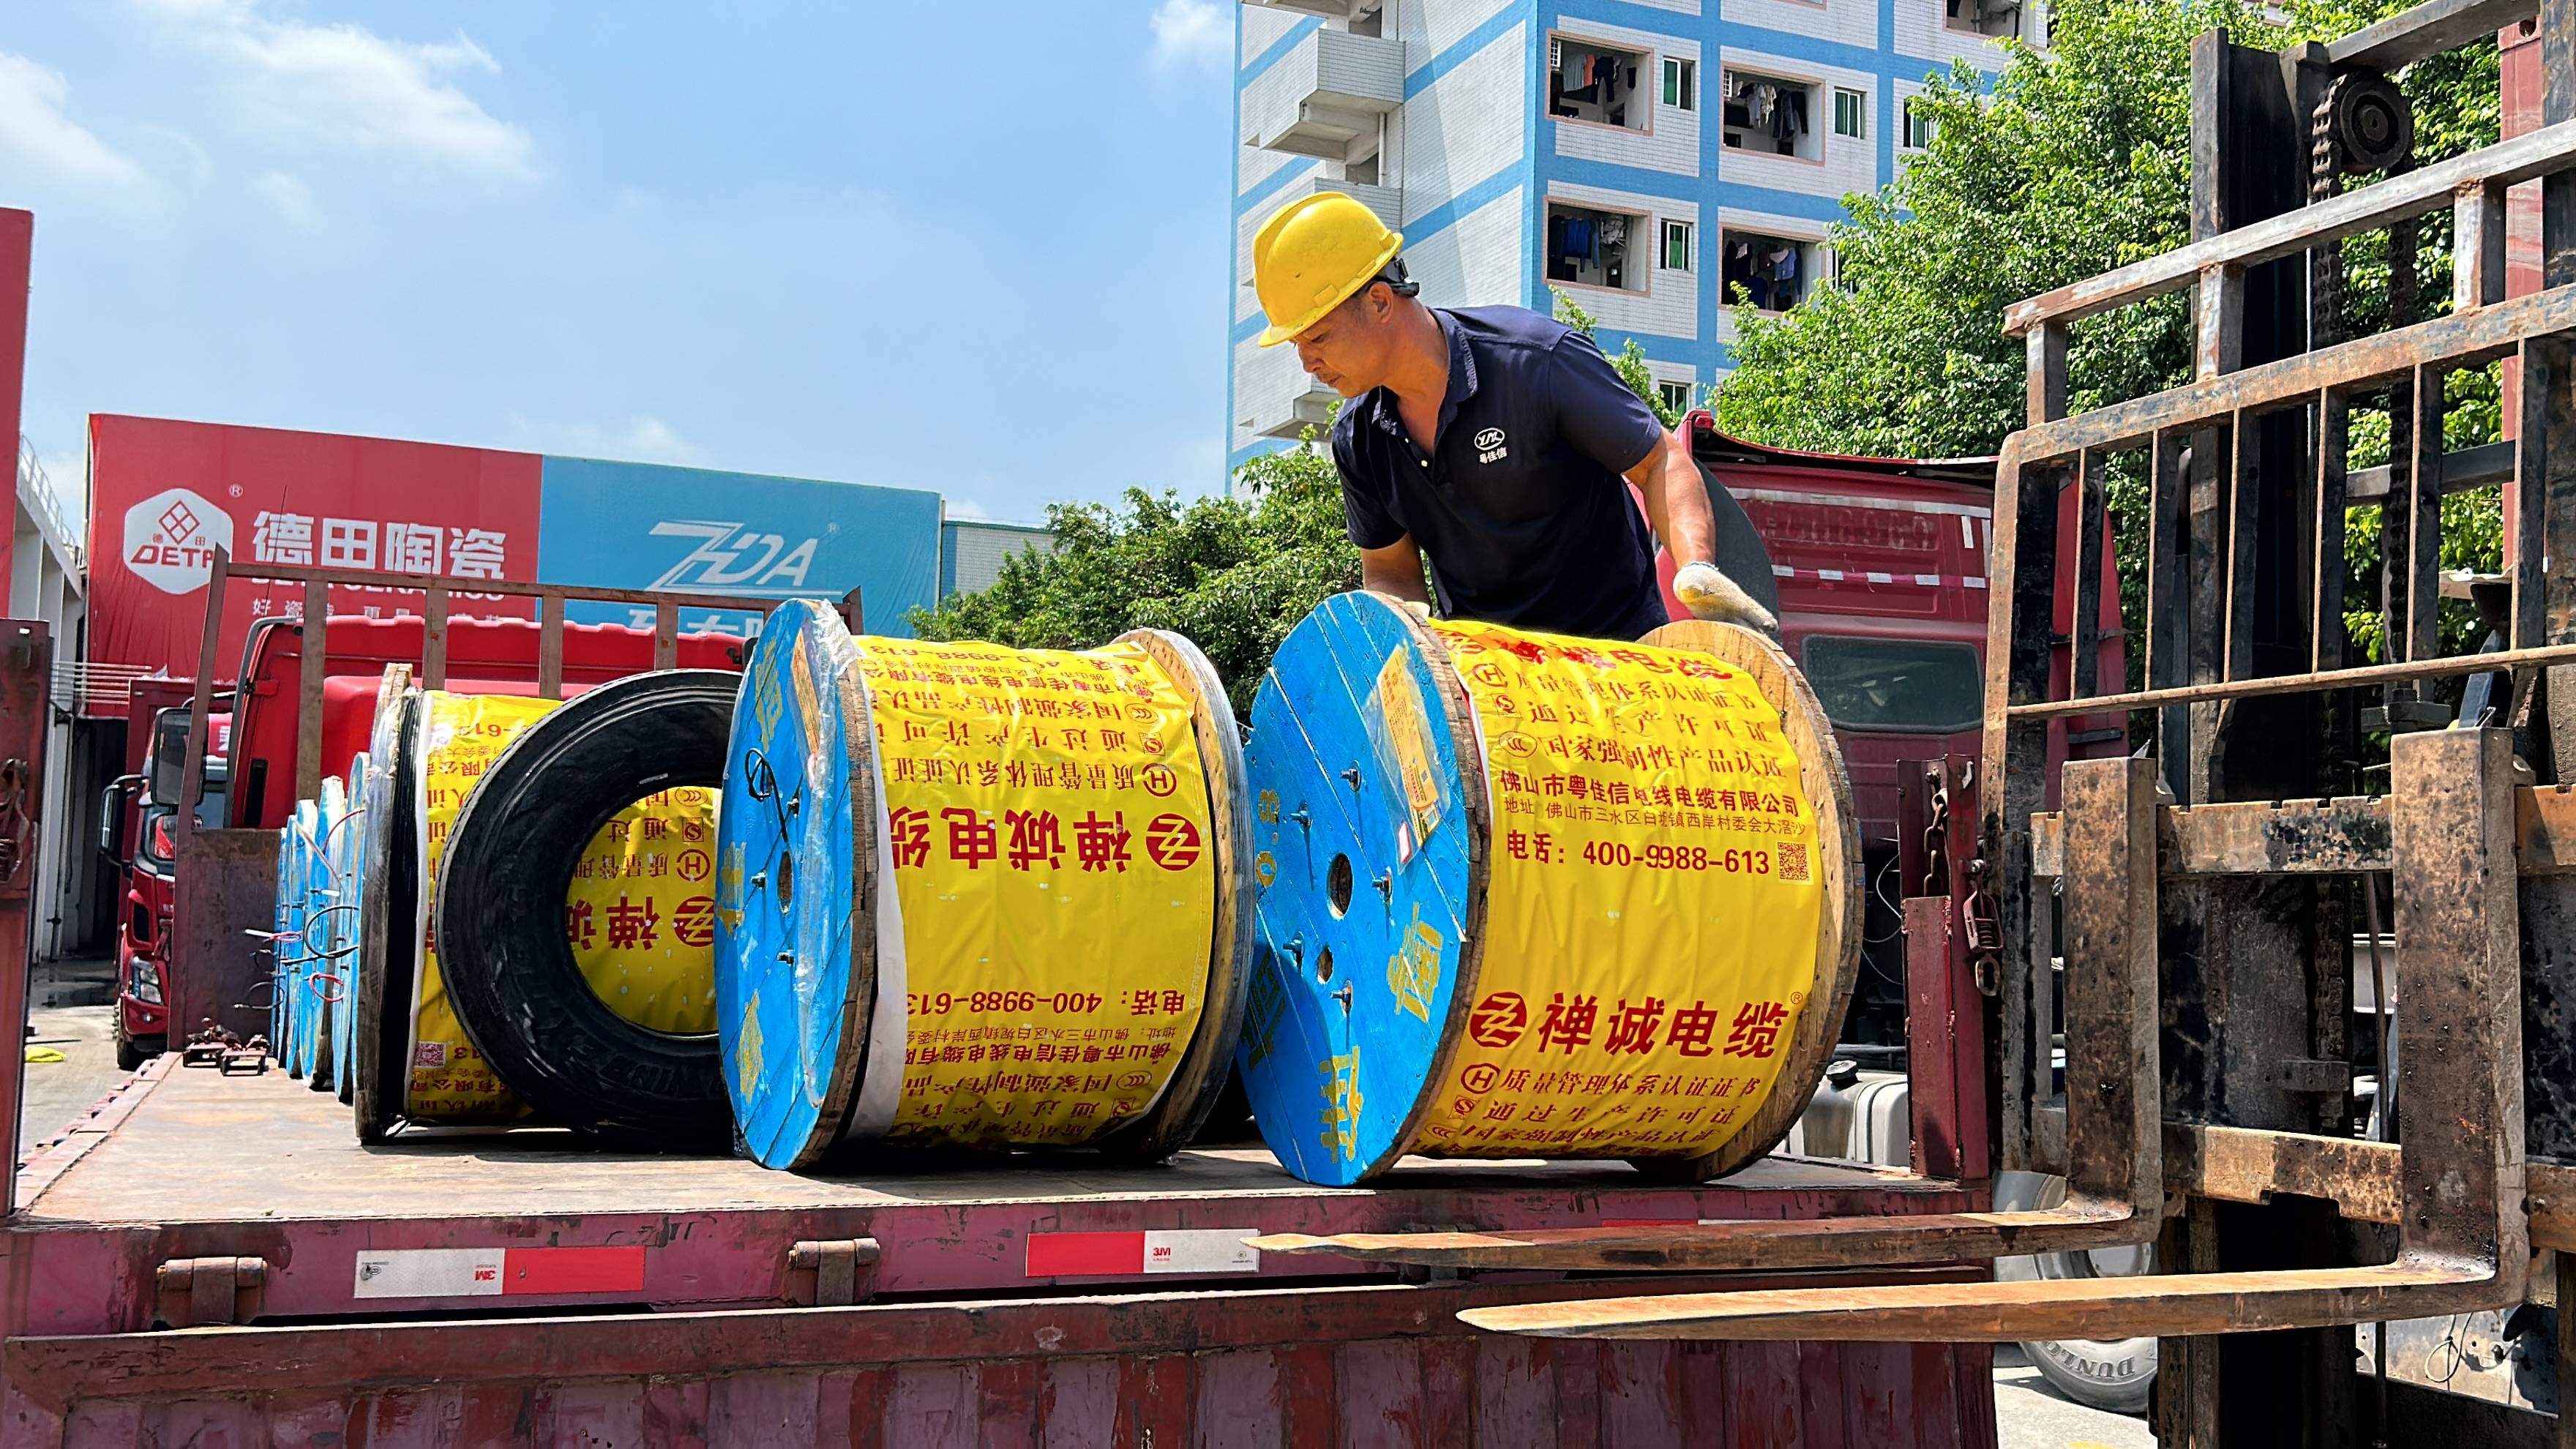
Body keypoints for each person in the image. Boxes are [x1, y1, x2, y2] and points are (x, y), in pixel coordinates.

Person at [1249, 192, 1776, 642]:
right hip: (1493, 685)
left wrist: (1696, 568)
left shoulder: (1536, 361)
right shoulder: (1359, 438)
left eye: (1317, 337)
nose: (1307, 362)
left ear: (1381, 302)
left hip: (1617, 655)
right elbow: (1390, 571)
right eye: (1298, 344)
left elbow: (1659, 460)